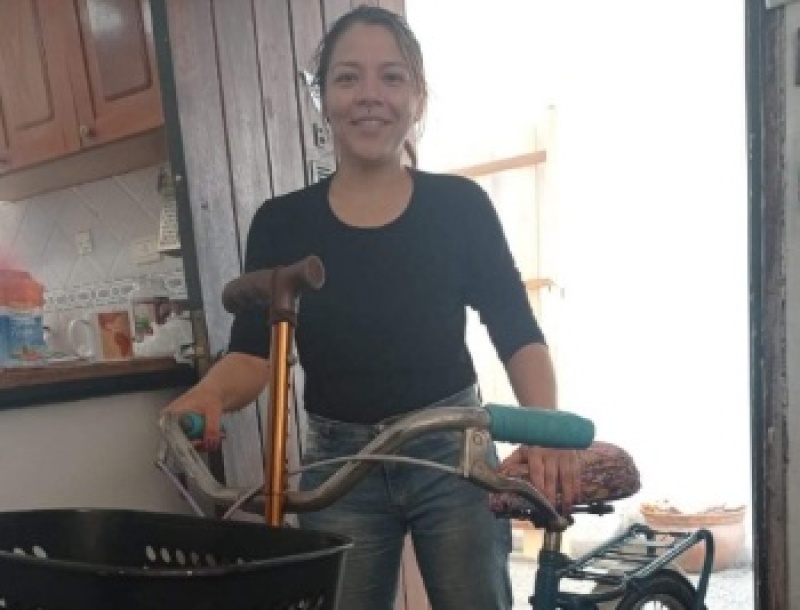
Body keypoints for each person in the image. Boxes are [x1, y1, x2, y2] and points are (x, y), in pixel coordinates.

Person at [164, 6, 578, 609]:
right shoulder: (281, 222)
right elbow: (253, 356)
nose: (369, 96)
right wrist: (207, 393)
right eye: (347, 77)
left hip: (451, 452)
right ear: (323, 98)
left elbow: (515, 328)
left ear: (418, 97)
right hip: (338, 463)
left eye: (391, 77)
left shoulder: (459, 207)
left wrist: (546, 428)